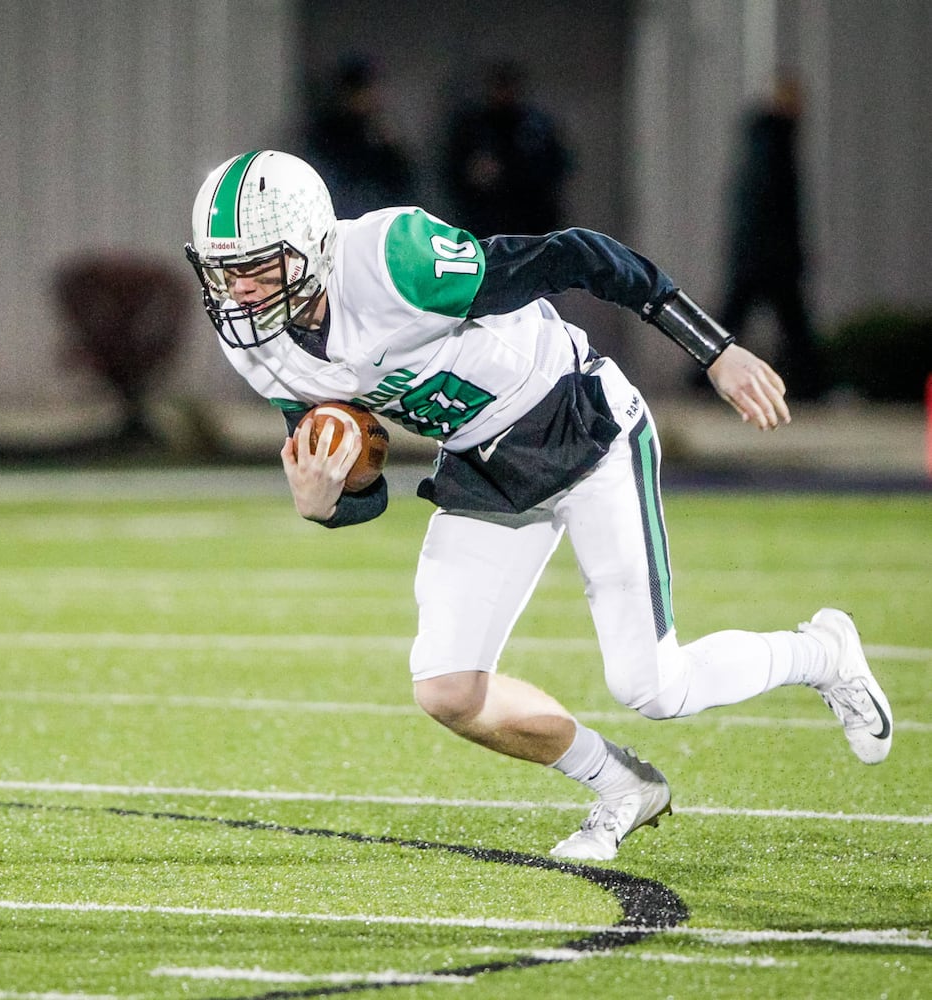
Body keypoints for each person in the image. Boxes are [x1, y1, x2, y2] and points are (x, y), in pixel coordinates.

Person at [183, 150, 894, 861]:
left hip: (578, 423)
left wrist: (712, 350)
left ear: (311, 243)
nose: (237, 291)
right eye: (221, 271)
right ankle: (622, 785)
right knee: (447, 691)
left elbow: (581, 254)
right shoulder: (255, 340)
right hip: (481, 466)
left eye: (255, 266)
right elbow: (354, 473)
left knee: (653, 687)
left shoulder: (394, 261)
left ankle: (819, 653)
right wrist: (325, 503)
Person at [719, 71, 826, 400]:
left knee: (734, 321)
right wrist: (785, 252)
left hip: (759, 253)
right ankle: (813, 385)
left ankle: (811, 383)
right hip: (769, 256)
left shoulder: (766, 138)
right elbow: (773, 205)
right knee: (793, 328)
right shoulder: (774, 141)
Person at [440, 61, 572, 236]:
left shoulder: (535, 125)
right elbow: (452, 170)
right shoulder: (473, 126)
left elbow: (558, 165)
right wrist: (475, 175)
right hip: (486, 219)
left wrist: (514, 171)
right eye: (499, 88)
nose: (503, 95)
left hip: (532, 217)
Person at [303, 55, 418, 221]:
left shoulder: (379, 128)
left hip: (380, 216)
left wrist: (388, 146)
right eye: (363, 91)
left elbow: (403, 182)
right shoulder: (328, 132)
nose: (371, 98)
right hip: (343, 218)